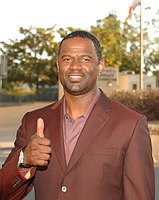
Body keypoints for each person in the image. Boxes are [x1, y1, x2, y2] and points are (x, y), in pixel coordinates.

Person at [0, 30, 155, 200]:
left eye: (85, 59)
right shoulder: (33, 122)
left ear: (100, 65)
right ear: (58, 65)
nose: (75, 66)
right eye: (67, 59)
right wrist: (25, 160)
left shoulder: (130, 124)